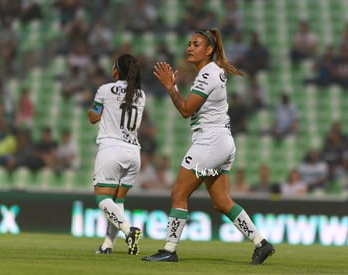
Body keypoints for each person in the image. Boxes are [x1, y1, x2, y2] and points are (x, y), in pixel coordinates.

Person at [142, 28, 274, 264]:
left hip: (210, 142)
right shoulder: (213, 72)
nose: (190, 48)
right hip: (222, 142)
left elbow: (185, 110)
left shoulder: (206, 75)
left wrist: (170, 88)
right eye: (189, 43)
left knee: (179, 193)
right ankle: (261, 243)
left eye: (196, 44)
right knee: (222, 201)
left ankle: (169, 250)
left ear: (209, 50)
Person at [87, 54, 145, 256]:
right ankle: (107, 245)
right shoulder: (140, 94)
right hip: (133, 153)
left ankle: (130, 231)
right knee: (117, 202)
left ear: (116, 71)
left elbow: (93, 117)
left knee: (103, 200)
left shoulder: (105, 90)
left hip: (111, 149)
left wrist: (100, 110)